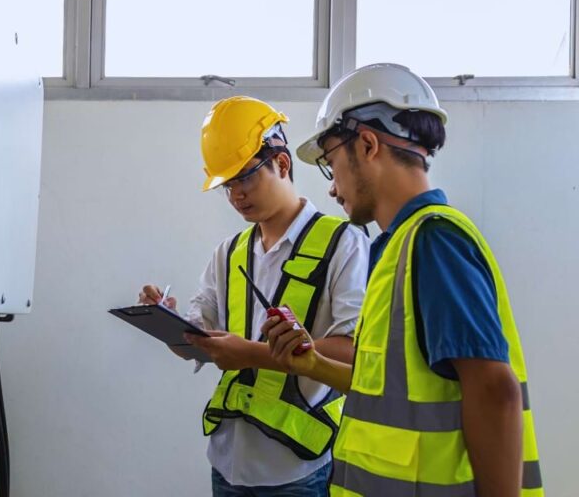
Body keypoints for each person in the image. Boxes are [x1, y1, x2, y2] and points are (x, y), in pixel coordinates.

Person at [264, 63, 543, 497]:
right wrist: (315, 366)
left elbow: (494, 391)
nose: (333, 188)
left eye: (331, 162)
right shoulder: (397, 248)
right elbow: (388, 388)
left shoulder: (434, 242)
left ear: (369, 144)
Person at [139, 96, 368, 496]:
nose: (236, 196)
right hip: (227, 463)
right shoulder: (228, 253)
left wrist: (249, 353)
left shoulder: (343, 242)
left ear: (281, 164)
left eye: (245, 177)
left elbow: (353, 354)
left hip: (298, 468)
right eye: (227, 185)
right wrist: (167, 323)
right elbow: (200, 342)